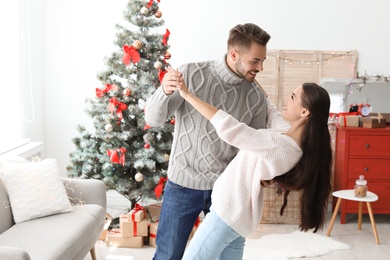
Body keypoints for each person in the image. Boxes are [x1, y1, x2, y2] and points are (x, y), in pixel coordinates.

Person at [144, 23, 290, 260]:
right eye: (255, 61)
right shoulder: (191, 74)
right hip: (183, 183)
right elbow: (153, 118)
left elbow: (253, 145)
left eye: (262, 61)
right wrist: (164, 90)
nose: (260, 67)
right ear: (234, 54)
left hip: (226, 189)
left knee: (225, 255)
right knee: (168, 255)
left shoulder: (255, 96)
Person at [170, 74, 333, 259]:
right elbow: (272, 113)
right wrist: (252, 79)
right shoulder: (287, 137)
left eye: (294, 97)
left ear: (305, 112)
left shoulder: (281, 146)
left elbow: (232, 129)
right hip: (238, 219)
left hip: (227, 214)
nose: (288, 99)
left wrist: (188, 95)